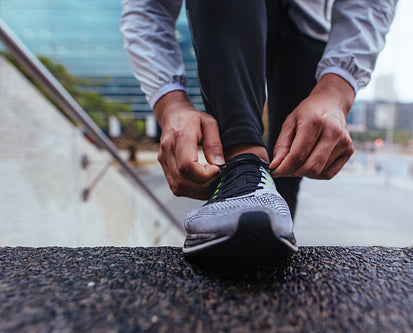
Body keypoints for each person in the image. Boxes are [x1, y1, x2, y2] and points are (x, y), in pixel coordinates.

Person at [120, 0, 397, 259]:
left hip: (311, 29)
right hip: (231, 15)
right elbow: (148, 6)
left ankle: (265, 222)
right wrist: (171, 105)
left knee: (285, 179)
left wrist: (336, 92)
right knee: (252, 177)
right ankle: (244, 168)